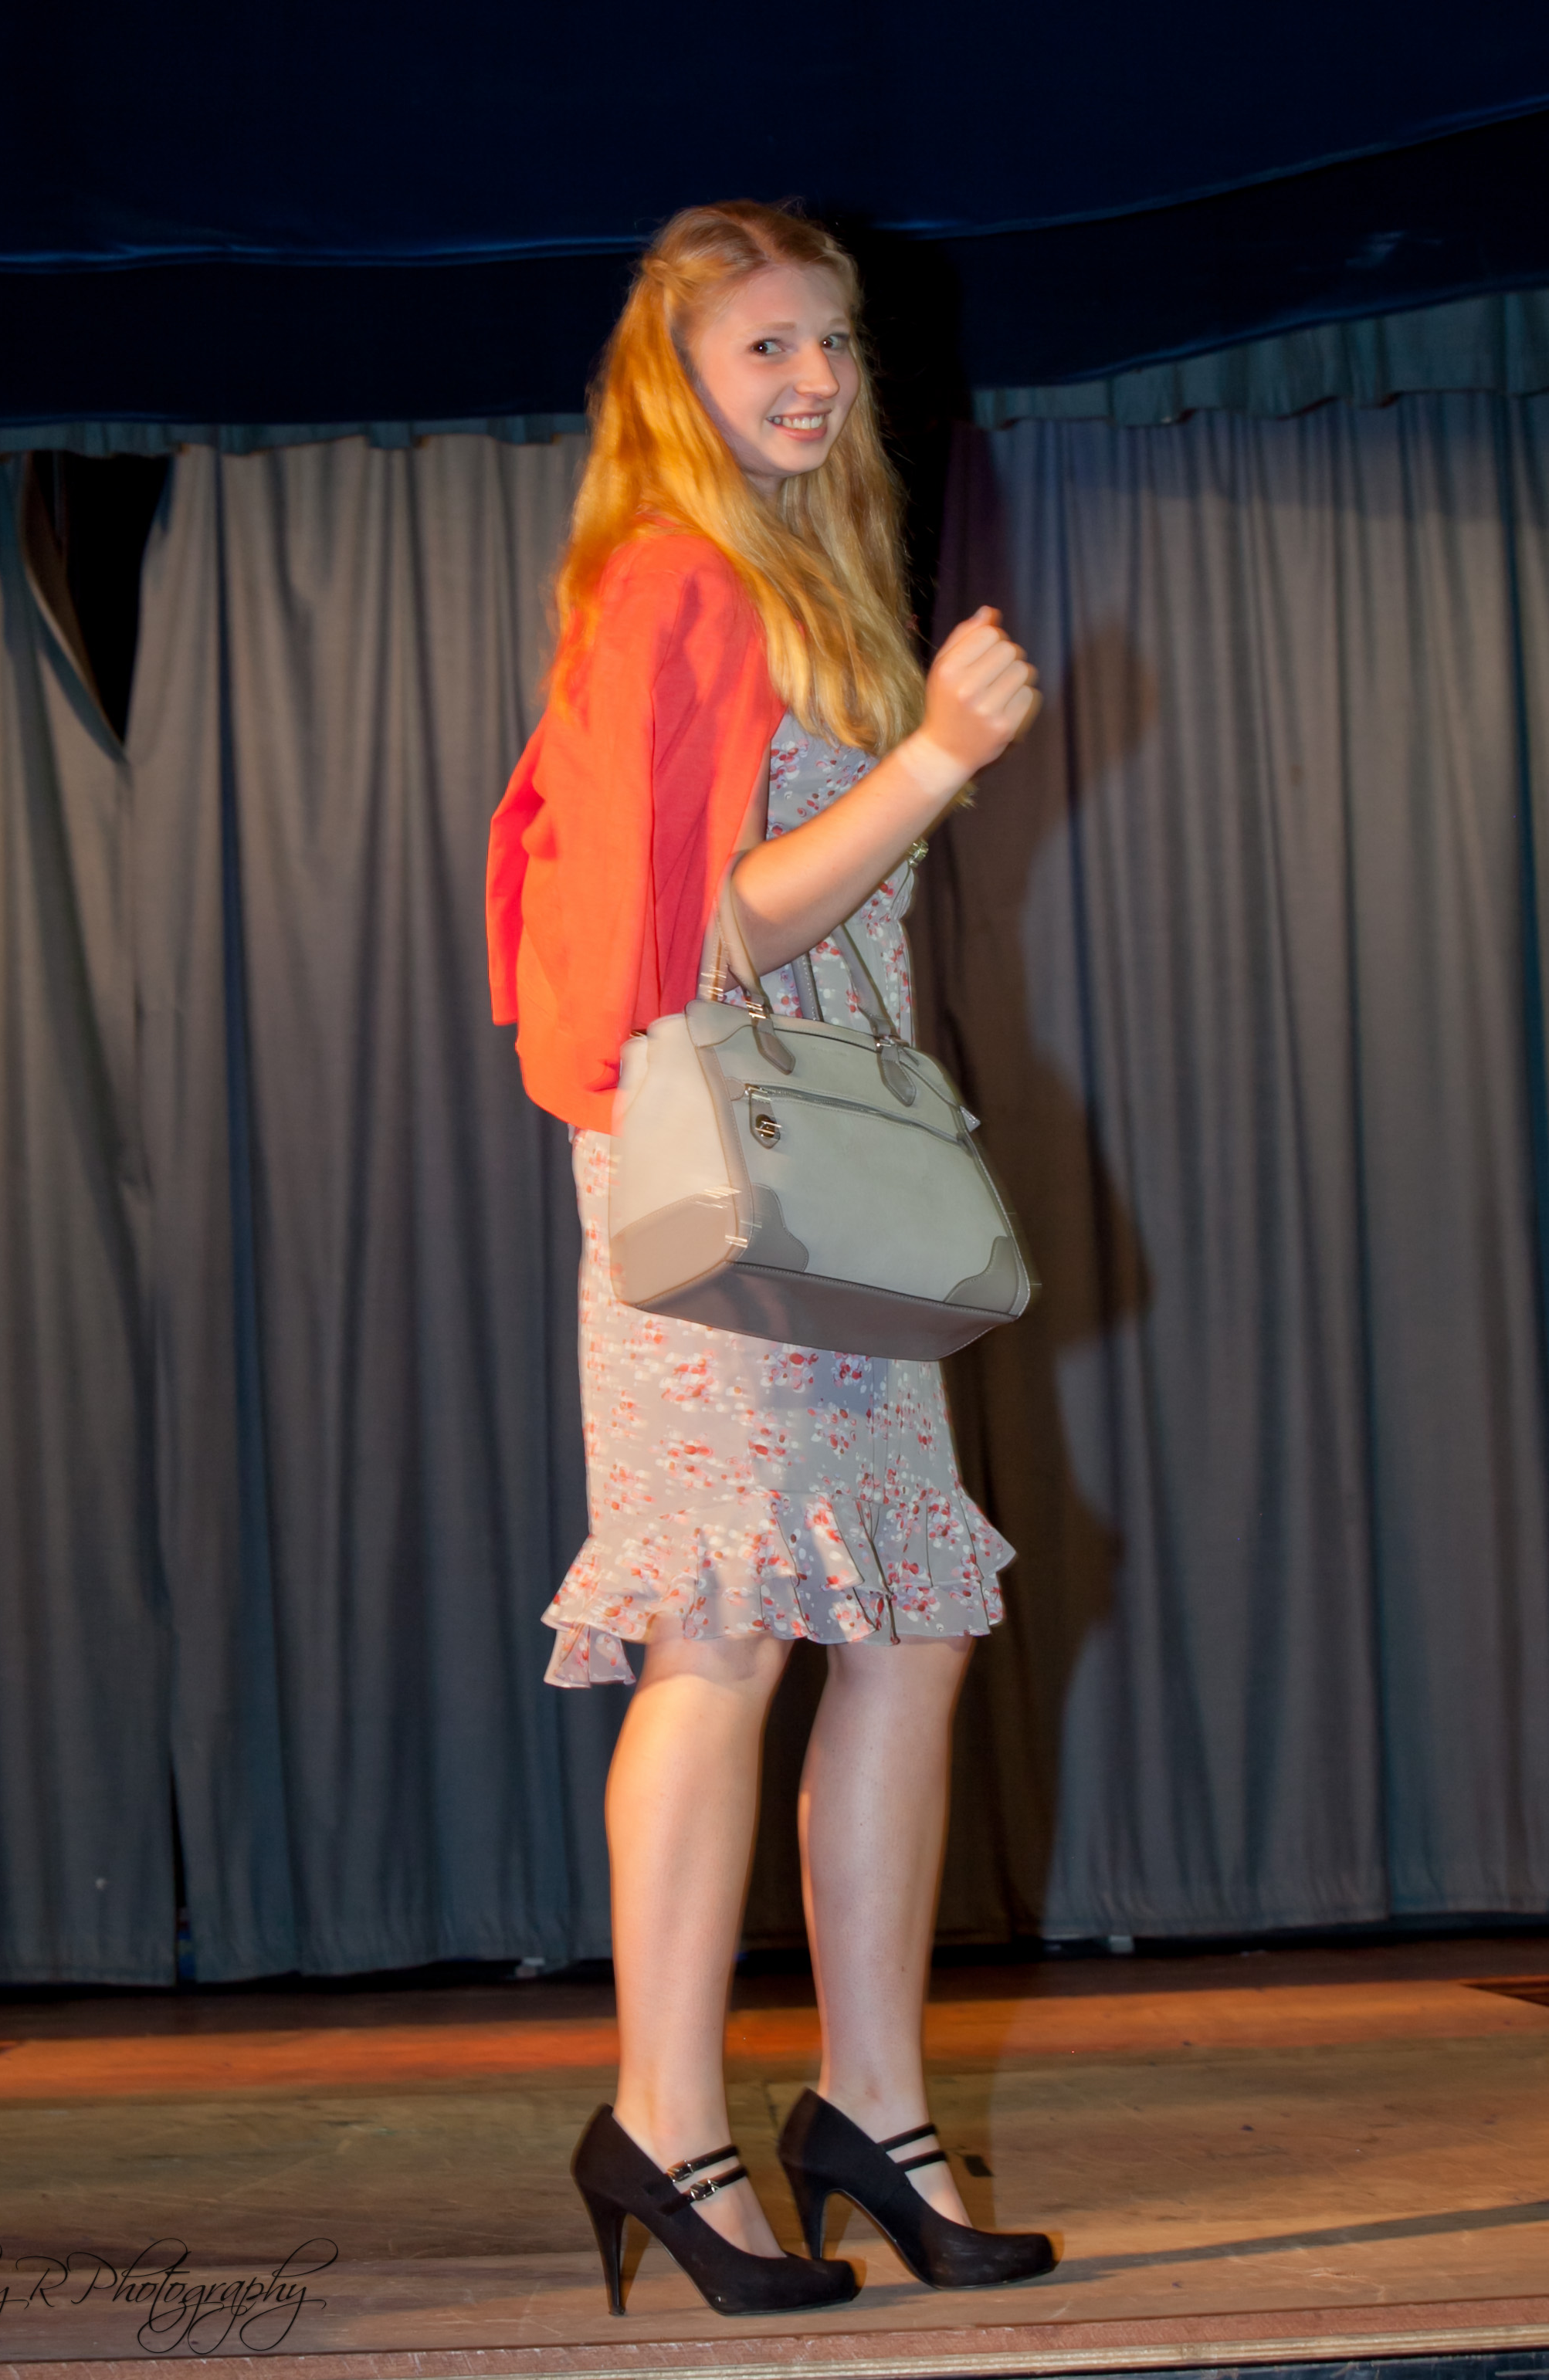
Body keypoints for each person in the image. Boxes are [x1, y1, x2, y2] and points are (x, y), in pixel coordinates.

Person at [486, 201, 1054, 2319]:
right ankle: (665, 2121)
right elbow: (701, 929)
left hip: (830, 1186)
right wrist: (935, 760)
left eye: (832, 342)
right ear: (681, 376)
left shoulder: (798, 576)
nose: (813, 379)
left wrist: (910, 751)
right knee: (718, 1631)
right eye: (766, 348)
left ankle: (871, 2117)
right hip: (720, 1188)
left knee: (908, 1627)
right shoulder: (668, 576)